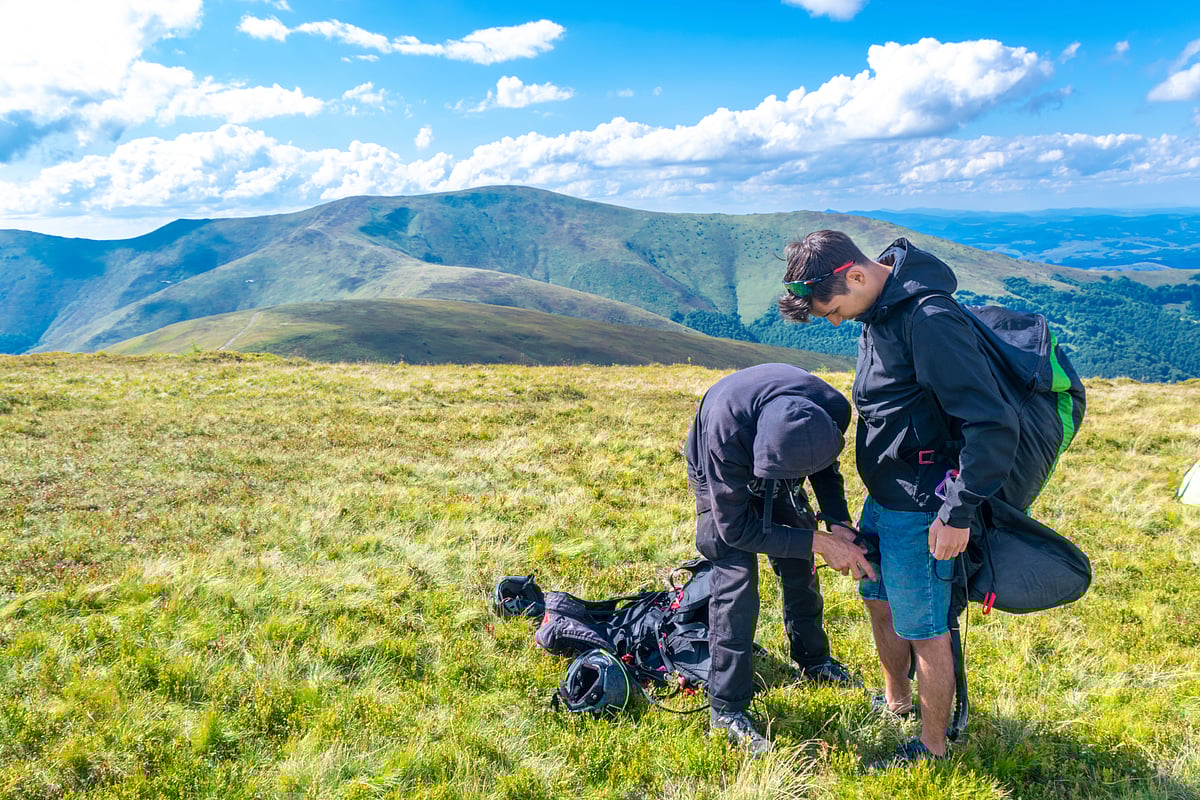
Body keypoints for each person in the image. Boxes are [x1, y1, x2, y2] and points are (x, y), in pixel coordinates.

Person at [778, 230, 1020, 768]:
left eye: (835, 310)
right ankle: (897, 702)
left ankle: (932, 748)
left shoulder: (929, 319)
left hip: (923, 507)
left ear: (856, 276)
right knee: (879, 603)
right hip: (884, 497)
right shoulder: (878, 311)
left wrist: (957, 512)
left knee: (925, 627)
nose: (836, 323)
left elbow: (991, 423)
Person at [685, 362, 876, 757]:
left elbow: (824, 468)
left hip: (777, 459)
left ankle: (814, 660)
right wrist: (817, 541)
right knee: (735, 580)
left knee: (800, 565)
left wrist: (836, 523)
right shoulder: (727, 432)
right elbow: (735, 530)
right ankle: (726, 709)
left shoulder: (831, 409)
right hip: (721, 474)